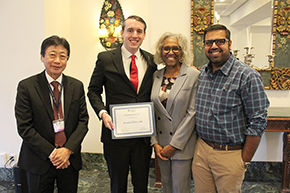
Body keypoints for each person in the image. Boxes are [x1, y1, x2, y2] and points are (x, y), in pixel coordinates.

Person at [192, 24, 270, 193]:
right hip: (201, 150)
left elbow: (258, 121)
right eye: (208, 42)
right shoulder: (203, 73)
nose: (213, 46)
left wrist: (244, 160)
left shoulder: (247, 76)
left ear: (229, 43)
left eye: (219, 41)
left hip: (230, 154)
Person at [87, 15, 157, 193]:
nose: (135, 35)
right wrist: (102, 113)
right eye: (130, 30)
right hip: (115, 135)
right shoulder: (105, 59)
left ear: (144, 34)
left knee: (142, 184)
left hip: (142, 137)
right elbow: (93, 90)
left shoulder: (152, 61)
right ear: (122, 33)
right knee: (117, 185)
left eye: (139, 31)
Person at [15, 35, 89, 193]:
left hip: (69, 160)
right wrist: (53, 152)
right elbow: (24, 127)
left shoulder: (76, 86)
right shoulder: (26, 87)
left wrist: (67, 150)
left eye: (63, 56)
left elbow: (83, 122)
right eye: (52, 54)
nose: (57, 60)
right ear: (42, 57)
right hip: (38, 160)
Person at [151, 32, 199, 193]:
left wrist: (173, 145)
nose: (170, 52)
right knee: (167, 186)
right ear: (160, 51)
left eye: (175, 48)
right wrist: (155, 143)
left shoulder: (193, 75)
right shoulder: (156, 76)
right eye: (166, 48)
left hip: (181, 145)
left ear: (182, 51)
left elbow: (192, 113)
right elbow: (150, 110)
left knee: (180, 188)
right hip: (161, 144)